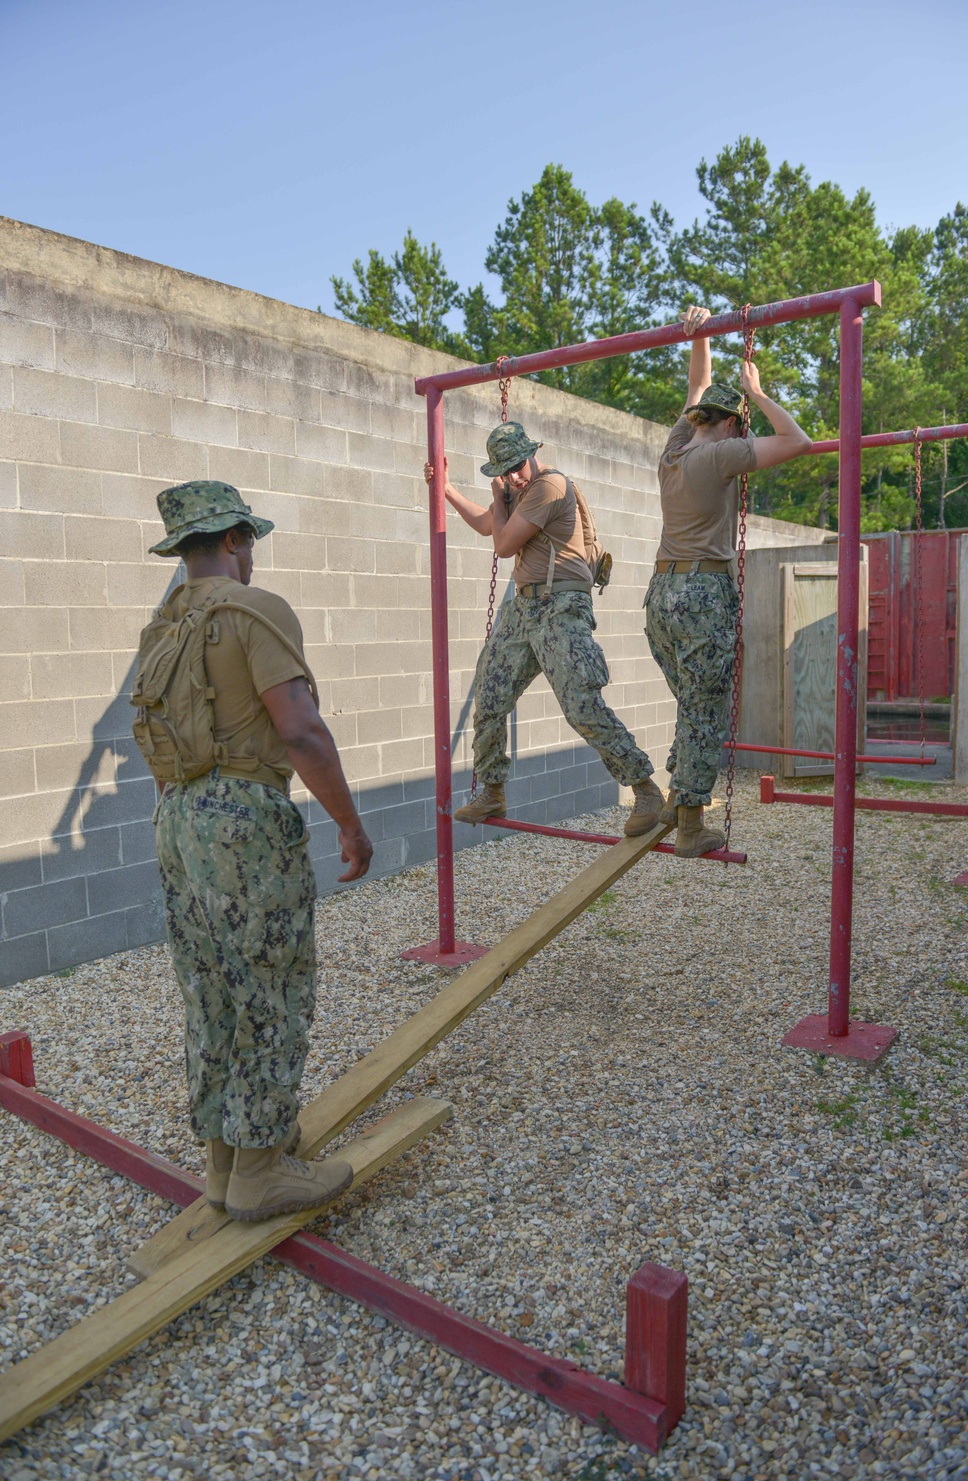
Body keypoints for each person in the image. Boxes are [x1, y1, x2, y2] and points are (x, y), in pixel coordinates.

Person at [136, 481, 373, 1222]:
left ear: (182, 549)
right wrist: (350, 823)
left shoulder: (166, 621)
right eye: (250, 541)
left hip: (177, 815)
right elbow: (299, 730)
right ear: (235, 540)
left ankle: (225, 1162)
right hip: (242, 819)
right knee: (272, 989)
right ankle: (261, 1173)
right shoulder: (254, 609)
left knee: (211, 994)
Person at [424, 423, 664, 834]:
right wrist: (446, 489)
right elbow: (487, 525)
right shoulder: (516, 492)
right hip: (526, 607)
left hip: (561, 607)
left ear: (532, 453)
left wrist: (501, 498)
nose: (515, 475)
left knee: (581, 706)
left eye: (517, 465)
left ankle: (645, 788)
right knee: (490, 695)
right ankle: (492, 790)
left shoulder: (549, 486)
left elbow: (502, 545)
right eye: (506, 470)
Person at [646, 306, 812, 855]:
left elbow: (696, 384)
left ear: (699, 417)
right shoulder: (720, 455)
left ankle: (676, 799)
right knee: (705, 706)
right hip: (701, 594)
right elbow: (798, 442)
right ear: (734, 425)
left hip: (662, 594)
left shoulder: (675, 448)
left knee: (692, 701)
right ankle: (691, 822)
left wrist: (702, 336)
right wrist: (759, 392)